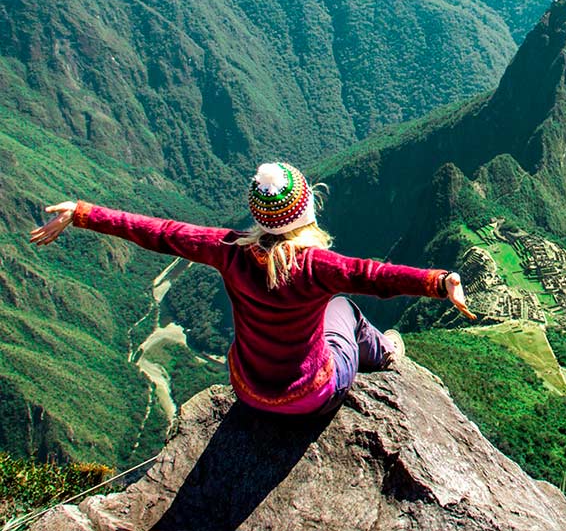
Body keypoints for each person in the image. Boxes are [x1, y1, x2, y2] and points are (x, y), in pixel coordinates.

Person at [29, 162, 475, 415]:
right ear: (307, 211)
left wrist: (84, 213)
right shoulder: (315, 266)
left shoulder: (228, 250)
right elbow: (373, 276)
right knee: (344, 309)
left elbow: (160, 232)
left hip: (250, 390)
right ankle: (387, 352)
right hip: (310, 396)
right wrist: (440, 282)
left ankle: (378, 350)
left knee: (331, 308)